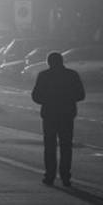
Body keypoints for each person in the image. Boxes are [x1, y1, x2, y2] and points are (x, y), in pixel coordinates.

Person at [31, 50, 85, 188]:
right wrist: (68, 99)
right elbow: (81, 95)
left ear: (49, 63)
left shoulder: (44, 76)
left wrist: (48, 100)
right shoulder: (72, 75)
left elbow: (36, 96)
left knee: (50, 146)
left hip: (49, 114)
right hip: (67, 115)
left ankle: (50, 175)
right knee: (66, 146)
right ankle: (65, 176)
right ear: (62, 61)